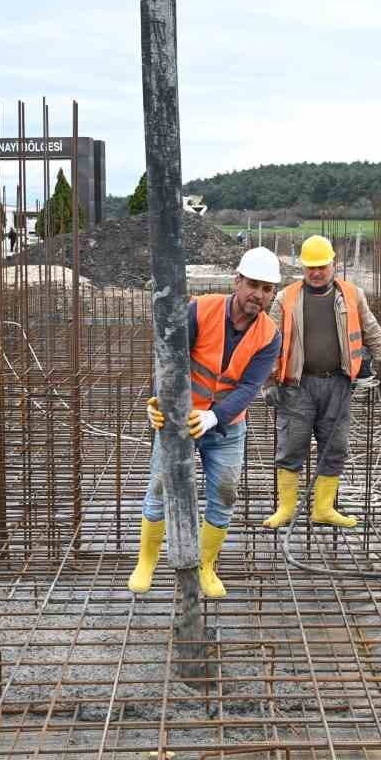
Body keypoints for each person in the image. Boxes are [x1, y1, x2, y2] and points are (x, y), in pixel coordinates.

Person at [129, 246, 282, 598]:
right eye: (253, 285)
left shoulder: (270, 335)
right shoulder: (201, 310)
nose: (258, 295)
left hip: (226, 426)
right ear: (238, 281)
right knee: (159, 487)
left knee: (225, 495)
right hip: (180, 418)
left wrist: (215, 416)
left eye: (266, 289)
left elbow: (248, 387)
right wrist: (159, 402)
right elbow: (171, 361)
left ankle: (206, 566)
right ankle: (147, 561)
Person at [261, 234, 381, 530]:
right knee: (292, 445)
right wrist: (269, 381)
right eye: (311, 267)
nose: (317, 272)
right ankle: (285, 509)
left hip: (337, 384)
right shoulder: (286, 298)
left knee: (334, 447)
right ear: (302, 267)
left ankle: (323, 508)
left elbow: (372, 330)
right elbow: (269, 342)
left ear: (333, 264)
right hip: (297, 386)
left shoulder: (351, 294)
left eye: (322, 266)